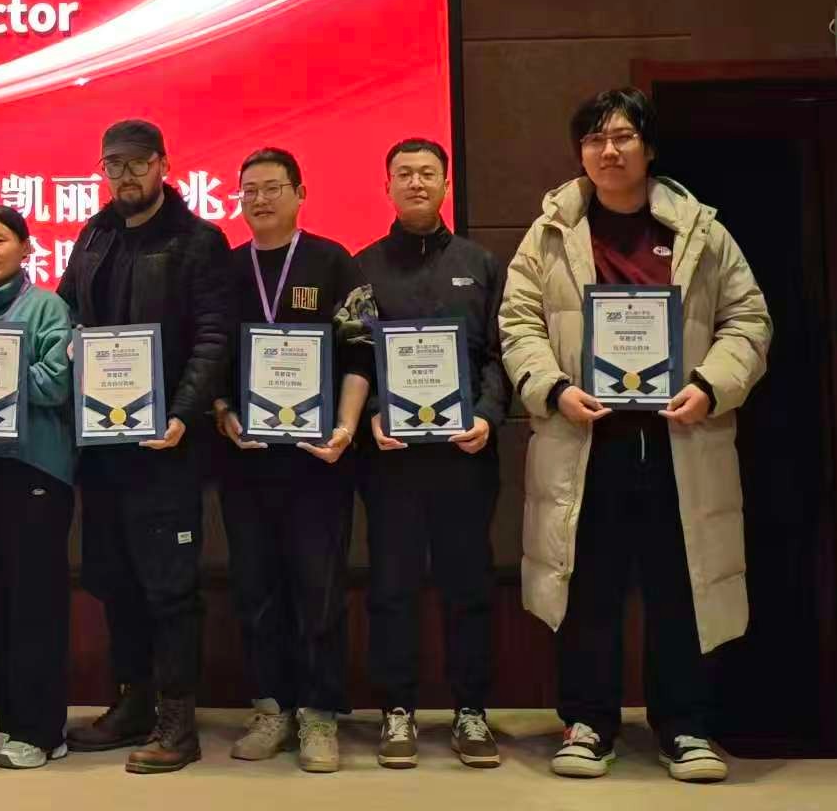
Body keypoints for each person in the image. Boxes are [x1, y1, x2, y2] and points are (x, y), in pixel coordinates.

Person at [501, 89, 772, 784]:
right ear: (580, 153)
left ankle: (684, 726)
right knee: (585, 586)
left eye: (622, 137)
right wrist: (553, 388)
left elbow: (748, 321)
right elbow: (518, 323)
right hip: (585, 441)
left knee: (680, 586)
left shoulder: (701, 231)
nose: (608, 151)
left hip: (680, 441)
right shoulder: (550, 232)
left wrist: (709, 385)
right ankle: (587, 723)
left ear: (648, 148)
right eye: (594, 139)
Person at [56, 119, 237, 773]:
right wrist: (66, 346)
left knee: (169, 587)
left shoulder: (198, 241)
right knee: (114, 580)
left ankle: (176, 722)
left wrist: (183, 415)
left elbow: (214, 337)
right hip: (103, 448)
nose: (125, 175)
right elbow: (66, 311)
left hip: (167, 447)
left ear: (163, 163)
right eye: (114, 164)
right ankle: (133, 701)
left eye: (137, 162)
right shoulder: (94, 235)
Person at [331, 138, 510, 770]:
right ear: (386, 186)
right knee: (391, 587)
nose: (415, 183)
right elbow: (352, 357)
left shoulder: (480, 264)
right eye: (403, 174)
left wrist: (487, 415)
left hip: (466, 455)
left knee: (469, 586)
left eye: (427, 173)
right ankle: (397, 709)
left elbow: (500, 354)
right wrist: (374, 412)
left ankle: (471, 711)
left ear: (445, 184)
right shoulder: (362, 267)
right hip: (391, 460)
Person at [209, 149, 362, 774]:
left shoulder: (334, 261)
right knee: (256, 588)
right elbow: (210, 358)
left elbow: (360, 353)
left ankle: (319, 713)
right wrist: (223, 412)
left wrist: (346, 427)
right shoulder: (225, 269)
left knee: (318, 588)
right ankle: (272, 707)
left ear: (301, 192)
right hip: (246, 461)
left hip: (316, 460)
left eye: (273, 187)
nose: (260, 199)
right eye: (249, 190)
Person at [0, 205, 78, 771]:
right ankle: (10, 721)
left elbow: (57, 383)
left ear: (25, 247)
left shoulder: (49, 307)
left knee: (35, 602)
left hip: (37, 470)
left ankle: (44, 730)